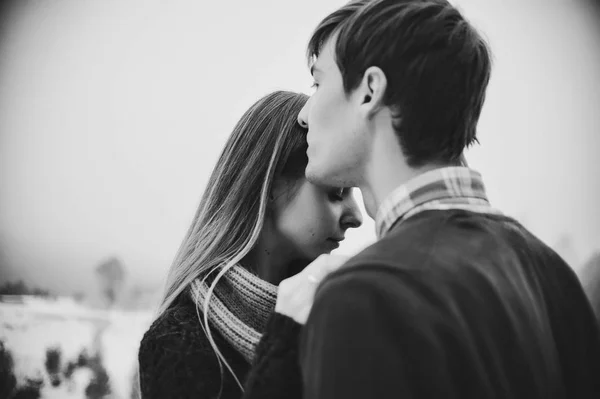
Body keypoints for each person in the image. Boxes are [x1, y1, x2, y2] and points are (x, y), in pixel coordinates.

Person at [266, 1, 600, 398]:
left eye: (318, 83)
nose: (304, 114)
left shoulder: (364, 298)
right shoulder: (552, 274)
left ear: (370, 91)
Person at [137, 90, 362, 399]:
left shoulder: (331, 313)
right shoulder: (179, 344)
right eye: (337, 192)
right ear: (269, 186)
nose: (357, 217)